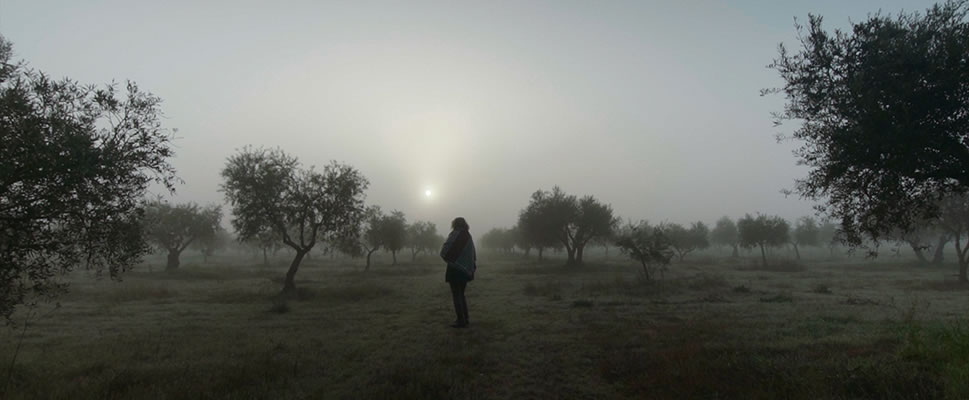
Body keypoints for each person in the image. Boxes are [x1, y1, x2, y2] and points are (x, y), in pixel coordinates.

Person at [440, 217, 476, 328]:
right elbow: (472, 254)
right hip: (465, 270)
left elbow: (444, 250)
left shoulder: (454, 234)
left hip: (454, 270)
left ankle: (460, 320)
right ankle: (466, 318)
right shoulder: (468, 236)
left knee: (456, 295)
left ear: (454, 224)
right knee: (462, 294)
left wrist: (452, 258)